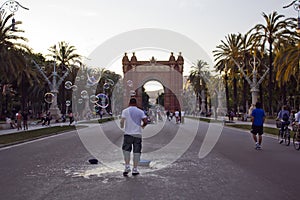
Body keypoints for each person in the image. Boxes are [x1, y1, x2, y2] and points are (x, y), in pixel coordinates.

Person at [120, 98, 148, 176]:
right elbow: (146, 121)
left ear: (129, 103)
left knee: (126, 151)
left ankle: (127, 167)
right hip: (137, 134)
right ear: (136, 103)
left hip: (128, 134)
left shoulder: (125, 111)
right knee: (137, 152)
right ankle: (135, 169)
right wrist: (142, 126)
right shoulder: (140, 111)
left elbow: (122, 121)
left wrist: (122, 125)